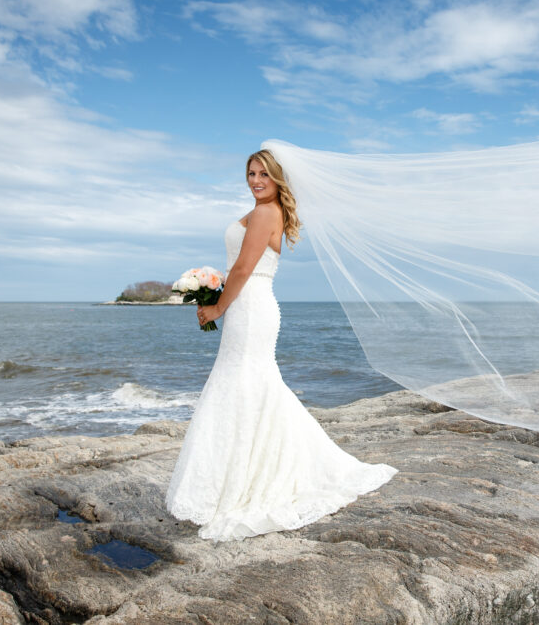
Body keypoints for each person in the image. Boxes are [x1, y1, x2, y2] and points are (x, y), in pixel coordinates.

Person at [165, 150, 398, 542]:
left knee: (242, 384)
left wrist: (218, 306)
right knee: (251, 387)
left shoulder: (267, 212)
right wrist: (213, 294)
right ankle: (238, 475)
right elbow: (238, 267)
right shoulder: (267, 210)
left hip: (249, 308)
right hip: (249, 306)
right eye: (251, 173)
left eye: (264, 175)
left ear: (278, 180)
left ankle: (249, 480)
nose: (256, 181)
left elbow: (243, 267)